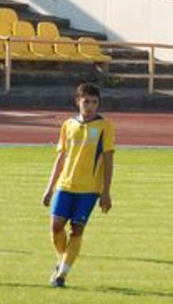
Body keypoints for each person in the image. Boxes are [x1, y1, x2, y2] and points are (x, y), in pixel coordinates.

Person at [43, 83, 115, 288]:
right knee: (55, 226)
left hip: (89, 189)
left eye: (94, 102)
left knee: (76, 230)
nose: (90, 106)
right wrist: (49, 188)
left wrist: (106, 192)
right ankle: (63, 261)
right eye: (86, 101)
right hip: (65, 185)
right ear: (78, 101)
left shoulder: (105, 127)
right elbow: (61, 157)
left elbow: (109, 160)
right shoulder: (68, 125)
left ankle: (62, 274)